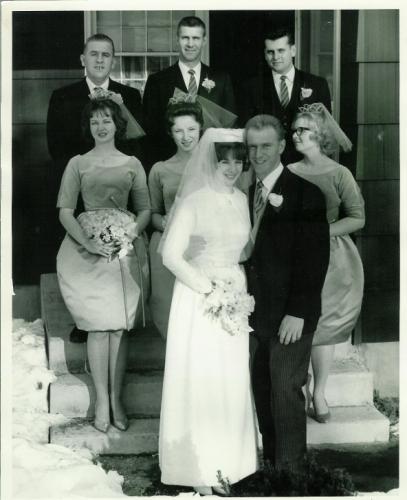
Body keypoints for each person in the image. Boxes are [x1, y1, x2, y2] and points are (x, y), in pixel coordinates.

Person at [159, 128, 258, 494]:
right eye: (224, 161)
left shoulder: (242, 199)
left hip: (235, 294)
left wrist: (233, 285)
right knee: (202, 379)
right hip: (200, 299)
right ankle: (199, 470)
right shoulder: (193, 201)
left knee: (230, 380)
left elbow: (243, 250)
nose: (231, 168)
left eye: (237, 161)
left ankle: (231, 464)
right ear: (211, 162)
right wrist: (208, 286)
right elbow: (170, 255)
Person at [56, 97, 151, 433]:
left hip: (123, 251)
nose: (101, 126)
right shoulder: (77, 163)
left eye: (107, 120)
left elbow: (144, 210)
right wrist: (88, 241)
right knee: (98, 326)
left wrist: (130, 233)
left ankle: (117, 399)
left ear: (117, 124)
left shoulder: (132, 163)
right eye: (95, 120)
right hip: (86, 249)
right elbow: (66, 210)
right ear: (89, 126)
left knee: (117, 327)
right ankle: (101, 402)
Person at [244, 114, 330, 471]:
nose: (258, 154)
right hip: (254, 312)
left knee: (285, 392)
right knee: (263, 392)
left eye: (266, 146)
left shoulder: (306, 194)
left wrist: (298, 311)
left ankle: (292, 478)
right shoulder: (247, 192)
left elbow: (314, 260)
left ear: (281, 146)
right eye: (252, 147)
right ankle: (272, 469)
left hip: (291, 315)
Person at [47, 33, 144, 343]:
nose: (100, 59)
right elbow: (57, 149)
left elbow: (138, 144)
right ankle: (85, 318)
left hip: (119, 193)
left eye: (106, 55)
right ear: (83, 59)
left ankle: (120, 316)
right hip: (81, 191)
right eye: (94, 54)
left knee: (116, 255)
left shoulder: (129, 95)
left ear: (113, 60)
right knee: (86, 258)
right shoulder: (63, 96)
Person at [288, 103, 365, 423]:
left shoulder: (338, 173)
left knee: (324, 326)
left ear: (319, 134)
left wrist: (320, 234)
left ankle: (319, 392)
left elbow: (358, 218)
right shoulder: (289, 172)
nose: (296, 135)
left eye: (302, 130)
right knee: (296, 322)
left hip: (332, 259)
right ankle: (296, 387)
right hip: (293, 257)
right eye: (294, 130)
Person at [143, 16, 236, 165]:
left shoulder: (221, 79)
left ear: (204, 41)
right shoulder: (157, 81)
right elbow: (151, 130)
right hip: (171, 161)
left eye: (196, 38)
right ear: (177, 40)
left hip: (211, 163)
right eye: (185, 38)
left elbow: (229, 127)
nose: (190, 44)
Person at [148, 97, 204, 339]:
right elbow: (153, 213)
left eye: (191, 129)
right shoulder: (160, 169)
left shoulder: (216, 165)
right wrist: (169, 225)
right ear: (170, 133)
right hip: (168, 244)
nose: (186, 136)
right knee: (167, 307)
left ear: (201, 128)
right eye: (178, 130)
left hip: (203, 247)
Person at [239, 27, 332, 165]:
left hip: (306, 163)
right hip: (267, 164)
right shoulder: (251, 87)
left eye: (281, 50)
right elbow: (247, 130)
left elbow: (325, 130)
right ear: (265, 54)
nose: (276, 57)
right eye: (271, 52)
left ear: (293, 50)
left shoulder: (317, 84)